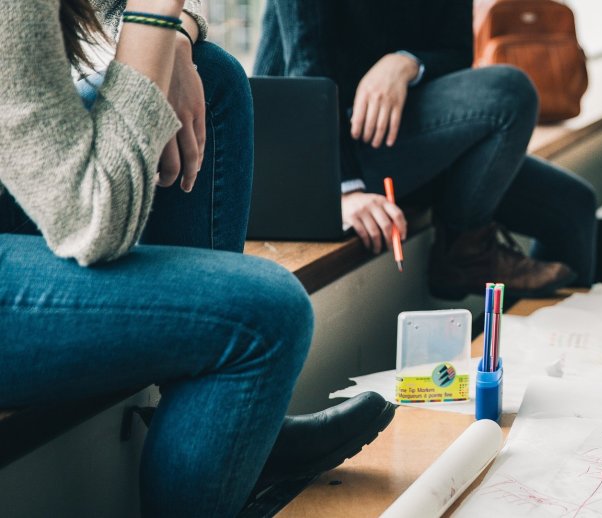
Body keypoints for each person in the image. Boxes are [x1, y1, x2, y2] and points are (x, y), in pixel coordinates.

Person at [0, 1, 392, 516]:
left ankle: (236, 436)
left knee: (215, 73)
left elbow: (112, 11)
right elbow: (96, 222)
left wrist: (178, 37)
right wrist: (156, 18)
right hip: (82, 217)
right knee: (266, 313)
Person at [253, 0, 598, 299]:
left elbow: (458, 52)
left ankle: (545, 360)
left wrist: (404, 63)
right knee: (509, 90)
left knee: (573, 206)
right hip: (312, 146)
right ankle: (465, 253)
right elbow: (306, 67)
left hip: (399, 133)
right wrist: (342, 189)